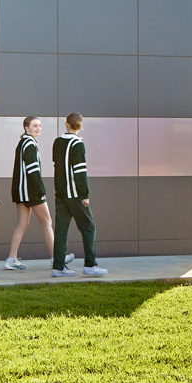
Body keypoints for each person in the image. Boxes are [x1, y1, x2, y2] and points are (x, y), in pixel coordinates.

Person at [51, 114, 107, 277]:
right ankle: (90, 264)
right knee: (89, 227)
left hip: (60, 194)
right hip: (75, 194)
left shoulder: (57, 142)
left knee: (61, 230)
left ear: (66, 124)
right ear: (79, 126)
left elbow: (57, 165)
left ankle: (58, 267)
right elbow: (80, 171)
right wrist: (85, 194)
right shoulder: (78, 144)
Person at [5, 116, 51, 270]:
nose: (38, 128)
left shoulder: (23, 142)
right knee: (47, 222)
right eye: (34, 125)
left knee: (22, 224)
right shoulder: (29, 143)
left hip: (21, 192)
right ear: (26, 128)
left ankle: (11, 259)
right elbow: (33, 171)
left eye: (39, 125)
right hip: (31, 192)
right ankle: (57, 258)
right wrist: (41, 191)